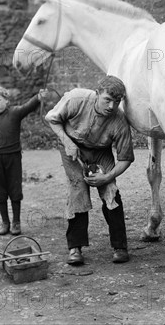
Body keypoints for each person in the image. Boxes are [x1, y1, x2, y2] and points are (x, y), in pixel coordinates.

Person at [45, 75, 134, 265]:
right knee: (78, 189)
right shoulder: (76, 99)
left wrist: (107, 176)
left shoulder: (119, 121)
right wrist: (67, 142)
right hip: (72, 145)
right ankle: (75, 248)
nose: (111, 106)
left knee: (111, 192)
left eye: (116, 101)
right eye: (107, 100)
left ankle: (120, 247)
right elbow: (52, 118)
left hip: (101, 152)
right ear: (97, 94)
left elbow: (125, 159)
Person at [0, 85, 47, 235]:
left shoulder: (15, 113)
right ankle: (5, 222)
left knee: (15, 189)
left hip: (13, 158)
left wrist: (38, 97)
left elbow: (27, 107)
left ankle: (16, 223)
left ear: (6, 100)